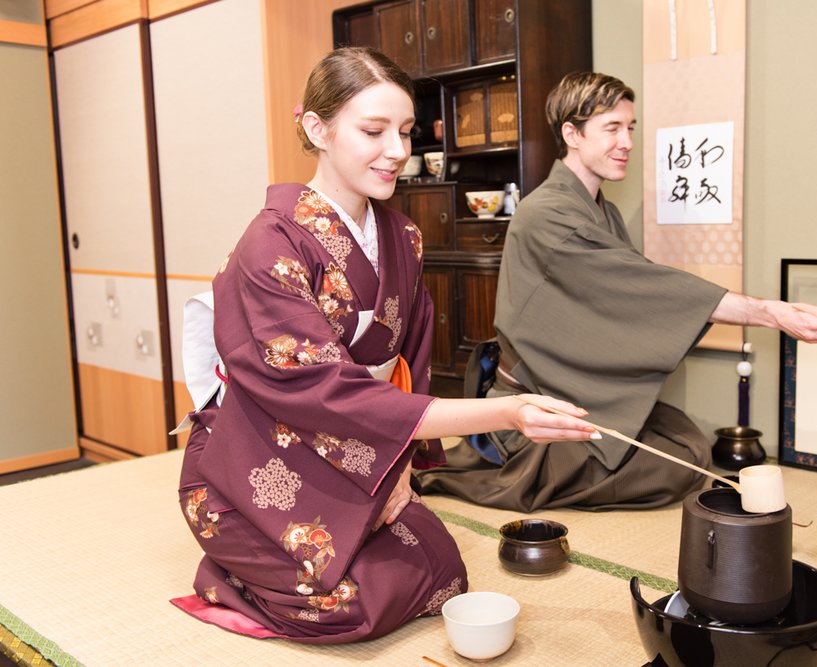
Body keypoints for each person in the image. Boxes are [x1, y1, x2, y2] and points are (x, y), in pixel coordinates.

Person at [172, 47, 597, 644]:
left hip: (356, 445)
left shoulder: (403, 236)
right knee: (348, 607)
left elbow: (409, 364)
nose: (396, 151)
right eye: (373, 131)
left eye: (405, 131)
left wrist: (398, 469)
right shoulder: (269, 245)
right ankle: (227, 574)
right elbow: (323, 392)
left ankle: (289, 560)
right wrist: (507, 411)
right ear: (317, 129)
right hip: (259, 453)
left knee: (441, 572)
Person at [417, 71, 817, 512]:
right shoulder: (546, 214)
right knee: (682, 464)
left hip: (571, 389)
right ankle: (518, 471)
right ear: (571, 133)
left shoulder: (600, 210)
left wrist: (770, 311)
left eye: (629, 128)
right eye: (611, 128)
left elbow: (627, 295)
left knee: (686, 440)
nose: (627, 141)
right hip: (537, 407)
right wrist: (771, 312)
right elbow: (647, 288)